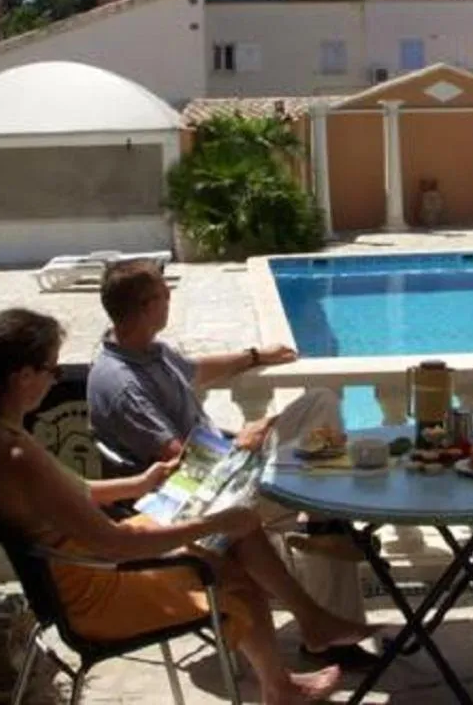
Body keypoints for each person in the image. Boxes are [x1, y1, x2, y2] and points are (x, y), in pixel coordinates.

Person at [0, 308, 375, 705]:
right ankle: (292, 662)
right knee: (232, 565)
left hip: (84, 564)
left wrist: (140, 482)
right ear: (22, 376)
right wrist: (212, 522)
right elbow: (118, 545)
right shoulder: (15, 455)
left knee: (237, 532)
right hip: (99, 590)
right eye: (52, 369)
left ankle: (298, 651)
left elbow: (73, 492)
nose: (55, 379)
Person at [86, 260, 374, 669]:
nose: (170, 298)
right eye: (165, 293)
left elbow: (195, 371)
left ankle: (321, 535)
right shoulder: (121, 384)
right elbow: (180, 464)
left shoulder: (147, 350)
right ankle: (323, 581)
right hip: (196, 500)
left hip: (223, 468)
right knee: (323, 488)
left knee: (321, 403)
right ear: (148, 305)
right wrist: (251, 439)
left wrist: (255, 356)